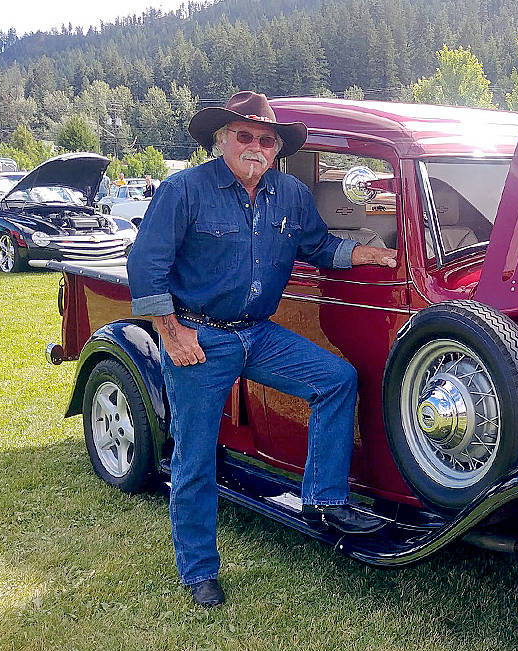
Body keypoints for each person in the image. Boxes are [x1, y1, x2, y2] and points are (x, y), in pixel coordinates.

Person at [127, 91, 398, 609]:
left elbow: (319, 246)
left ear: (276, 149)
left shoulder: (291, 195)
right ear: (221, 139)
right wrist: (170, 331)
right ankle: (200, 570)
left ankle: (323, 499)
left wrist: (365, 253)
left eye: (266, 139)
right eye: (245, 136)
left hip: (258, 331)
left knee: (336, 380)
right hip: (200, 335)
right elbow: (147, 264)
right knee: (195, 456)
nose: (256, 146)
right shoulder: (185, 190)